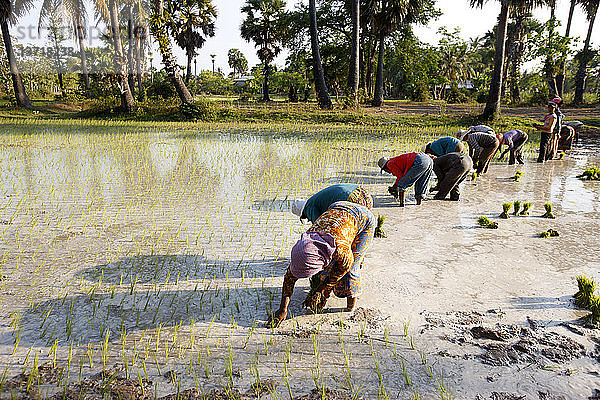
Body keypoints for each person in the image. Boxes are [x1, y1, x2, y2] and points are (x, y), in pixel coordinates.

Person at [267, 201, 375, 327]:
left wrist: (320, 291)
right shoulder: (304, 246)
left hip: (362, 218)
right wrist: (282, 310)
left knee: (351, 269)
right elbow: (289, 279)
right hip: (335, 208)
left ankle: (350, 307)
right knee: (326, 271)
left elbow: (342, 269)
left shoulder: (341, 250)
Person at [291, 184, 373, 223]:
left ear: (303, 214)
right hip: (364, 194)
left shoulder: (308, 208)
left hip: (349, 199)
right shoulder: (314, 199)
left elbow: (320, 226)